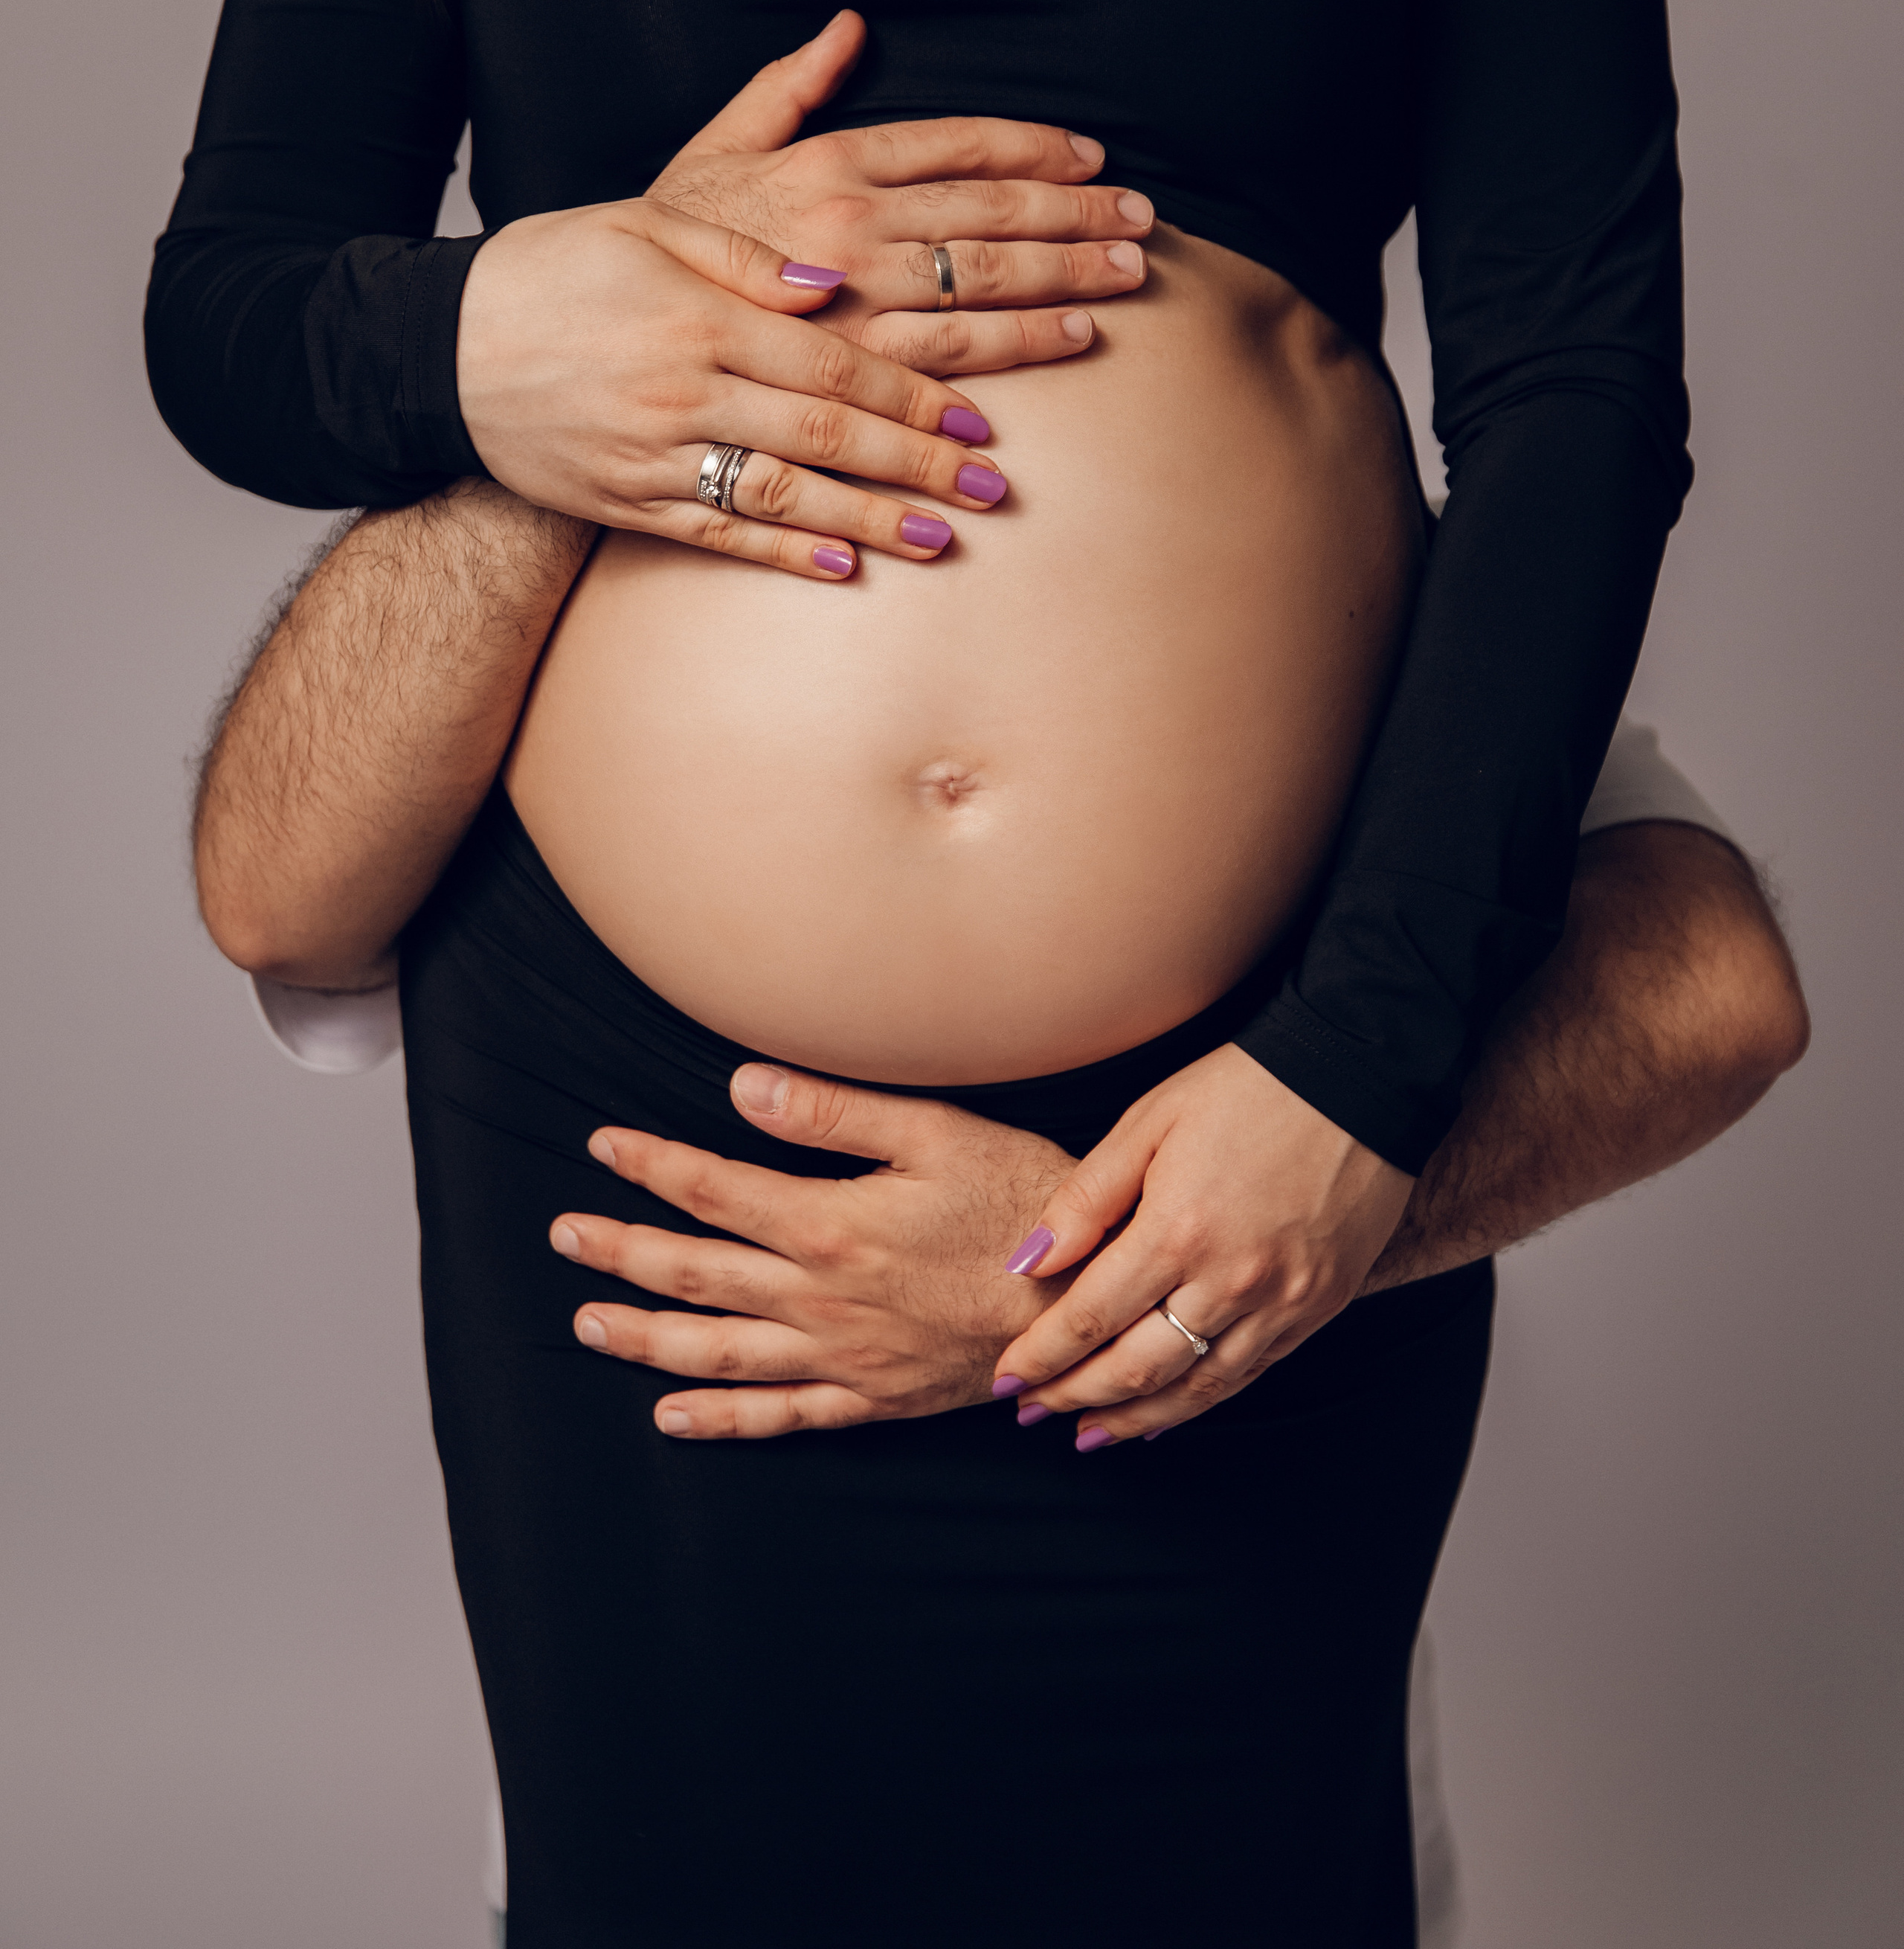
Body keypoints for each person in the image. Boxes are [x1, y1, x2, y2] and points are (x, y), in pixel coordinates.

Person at [147, 0, 1756, 1938]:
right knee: (684, 1879)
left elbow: (1576, 385)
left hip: (1255, 1050)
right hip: (628, 1044)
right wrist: (495, 319)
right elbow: (240, 303)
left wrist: (1350, 1080)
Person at [209, 497, 1804, 1947]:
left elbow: (1707, 991)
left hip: (1221, 1795)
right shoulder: (517, 601)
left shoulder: (1328, 564)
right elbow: (277, 892)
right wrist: (573, 398)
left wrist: (1133, 1270)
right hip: (664, 1789)